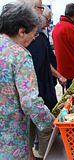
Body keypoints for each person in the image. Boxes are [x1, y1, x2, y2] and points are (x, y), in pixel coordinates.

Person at [0, 2, 55, 159]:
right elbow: (29, 101)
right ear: (22, 31)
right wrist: (50, 121)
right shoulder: (20, 55)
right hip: (11, 137)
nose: (33, 38)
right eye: (34, 33)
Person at [19, 0, 58, 159]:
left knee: (30, 129)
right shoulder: (20, 52)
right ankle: (42, 155)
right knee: (43, 128)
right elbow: (29, 96)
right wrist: (50, 119)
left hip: (35, 93)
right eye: (40, 8)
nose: (42, 13)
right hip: (39, 91)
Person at [41, 5, 67, 87]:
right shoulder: (37, 37)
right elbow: (44, 61)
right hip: (45, 83)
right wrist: (59, 76)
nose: (49, 24)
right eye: (48, 20)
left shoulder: (42, 35)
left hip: (50, 79)